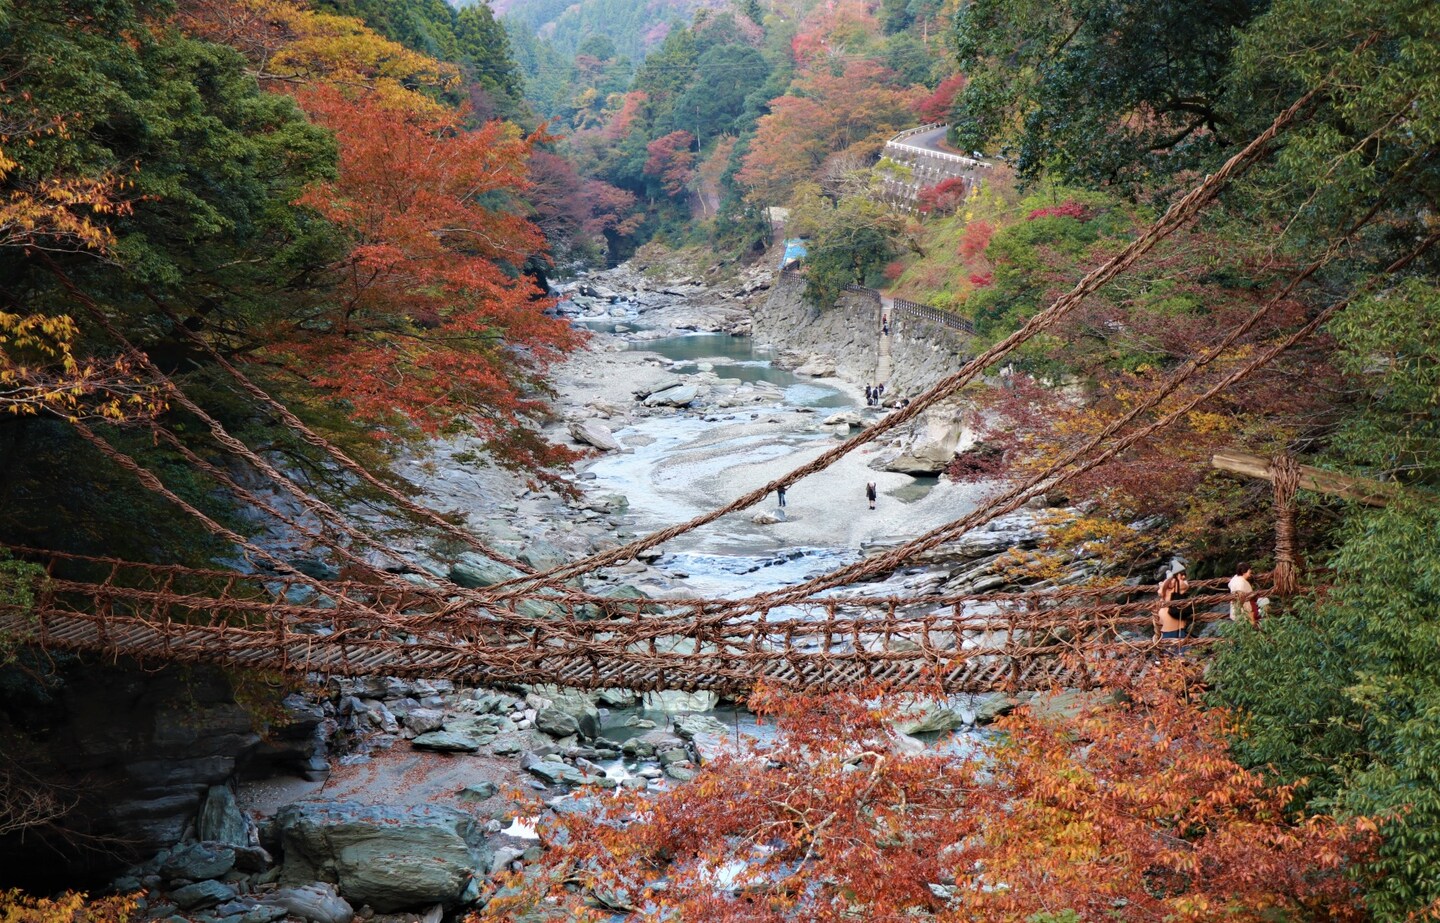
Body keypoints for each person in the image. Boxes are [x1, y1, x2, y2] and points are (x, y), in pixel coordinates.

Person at [1155, 566, 1192, 654]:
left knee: (1167, 643)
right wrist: (1177, 578)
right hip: (1174, 617)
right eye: (1181, 574)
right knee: (1179, 644)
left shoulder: (1163, 586)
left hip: (1165, 618)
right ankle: (1179, 660)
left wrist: (1171, 578)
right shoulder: (1179, 585)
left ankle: (1167, 660)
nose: (1183, 577)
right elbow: (1185, 585)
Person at [1229, 563, 1260, 627]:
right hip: (1244, 608)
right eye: (1249, 571)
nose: (1250, 572)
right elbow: (1247, 601)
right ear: (1244, 572)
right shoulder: (1242, 583)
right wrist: (1251, 613)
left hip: (1235, 609)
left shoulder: (1235, 579)